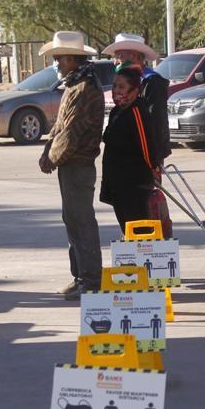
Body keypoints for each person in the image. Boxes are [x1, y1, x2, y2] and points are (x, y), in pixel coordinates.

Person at [38, 31, 105, 300]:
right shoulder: (73, 86)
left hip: (78, 164)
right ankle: (81, 277)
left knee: (81, 222)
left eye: (59, 58)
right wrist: (48, 152)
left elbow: (70, 133)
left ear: (72, 59)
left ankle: (89, 279)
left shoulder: (85, 88)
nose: (55, 63)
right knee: (73, 221)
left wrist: (51, 158)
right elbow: (59, 127)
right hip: (71, 164)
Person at [100, 67, 157, 229]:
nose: (116, 90)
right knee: (127, 228)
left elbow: (146, 145)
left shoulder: (137, 110)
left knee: (139, 229)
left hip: (133, 183)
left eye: (121, 87)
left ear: (134, 90)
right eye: (114, 86)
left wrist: (153, 167)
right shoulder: (117, 111)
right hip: (117, 182)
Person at [102, 34, 170, 165]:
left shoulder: (152, 81)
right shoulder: (124, 81)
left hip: (143, 154)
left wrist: (153, 159)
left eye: (119, 56)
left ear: (133, 56)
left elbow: (156, 122)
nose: (115, 61)